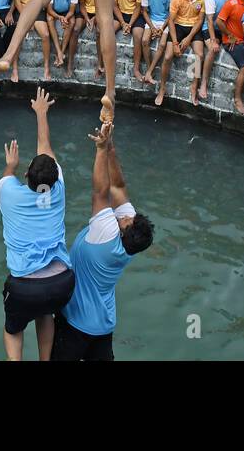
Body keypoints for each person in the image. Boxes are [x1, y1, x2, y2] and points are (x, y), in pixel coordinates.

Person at [52, 121, 154, 361]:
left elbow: (100, 192)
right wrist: (110, 148)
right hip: (104, 324)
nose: (127, 214)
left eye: (127, 219)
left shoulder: (105, 235)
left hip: (76, 324)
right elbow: (118, 186)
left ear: (122, 231)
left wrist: (99, 149)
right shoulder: (128, 244)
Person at [0, 88, 74, 361]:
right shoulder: (59, 189)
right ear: (55, 178)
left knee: (13, 330)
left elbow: (9, 176)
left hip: (24, 288)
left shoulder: (8, 192)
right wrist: (42, 114)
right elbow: (46, 149)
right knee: (46, 313)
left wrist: (11, 166)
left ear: (26, 173)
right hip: (61, 283)